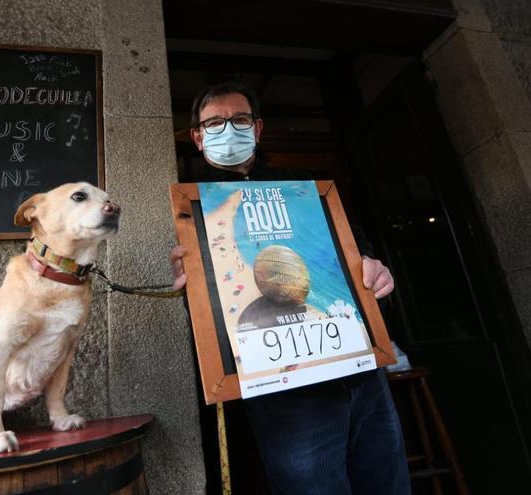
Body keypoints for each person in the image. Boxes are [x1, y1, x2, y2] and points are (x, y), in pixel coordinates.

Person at [170, 82, 409, 495]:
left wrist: (372, 267)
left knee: (387, 484)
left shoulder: (306, 188)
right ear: (197, 136)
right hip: (283, 389)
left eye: (239, 119)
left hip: (358, 365)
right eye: (214, 123)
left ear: (258, 128)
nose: (228, 129)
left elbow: (356, 250)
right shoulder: (192, 212)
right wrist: (195, 288)